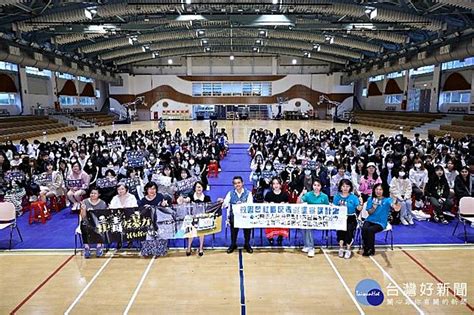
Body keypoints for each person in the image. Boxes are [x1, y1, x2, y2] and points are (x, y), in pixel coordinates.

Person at [361, 183, 400, 256]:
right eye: (377, 189)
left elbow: (392, 204)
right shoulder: (371, 199)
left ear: (383, 191)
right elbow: (370, 213)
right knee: (364, 228)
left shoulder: (387, 200)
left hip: (381, 222)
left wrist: (395, 206)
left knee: (370, 230)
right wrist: (374, 207)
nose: (378, 191)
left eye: (380, 189)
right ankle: (365, 247)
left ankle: (371, 249)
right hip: (370, 219)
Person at [298, 178, 330, 258]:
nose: (316, 187)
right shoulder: (308, 194)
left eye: (318, 185)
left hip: (320, 218)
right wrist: (302, 193)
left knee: (308, 226)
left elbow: (327, 208)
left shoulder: (324, 196)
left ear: (321, 187)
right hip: (309, 217)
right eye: (315, 185)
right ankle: (306, 245)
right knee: (302, 225)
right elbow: (298, 202)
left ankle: (311, 247)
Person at [179, 181, 212, 256]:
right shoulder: (191, 196)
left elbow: (210, 207)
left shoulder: (207, 198)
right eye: (197, 187)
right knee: (191, 232)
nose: (199, 188)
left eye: (200, 187)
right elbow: (186, 200)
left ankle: (201, 248)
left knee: (202, 233)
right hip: (192, 217)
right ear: (195, 188)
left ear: (203, 188)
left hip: (202, 218)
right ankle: (188, 247)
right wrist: (182, 200)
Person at [222, 176, 253, 254]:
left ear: (242, 183)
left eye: (239, 183)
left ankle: (247, 244)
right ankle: (233, 244)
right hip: (234, 216)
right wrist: (222, 202)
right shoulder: (230, 193)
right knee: (233, 232)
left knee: (247, 231)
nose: (237, 185)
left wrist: (241, 205)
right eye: (235, 183)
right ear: (233, 185)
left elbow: (250, 205)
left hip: (245, 216)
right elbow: (225, 204)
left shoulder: (248, 193)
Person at [139, 181, 172, 257]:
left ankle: (159, 250)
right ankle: (148, 250)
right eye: (150, 189)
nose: (152, 191)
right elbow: (141, 213)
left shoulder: (160, 196)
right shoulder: (143, 200)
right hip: (148, 224)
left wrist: (164, 205)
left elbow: (166, 209)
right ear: (146, 189)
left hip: (159, 222)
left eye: (154, 189)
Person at [333, 179, 362, 259]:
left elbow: (359, 208)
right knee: (340, 233)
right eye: (343, 186)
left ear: (350, 187)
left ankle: (348, 249)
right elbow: (334, 208)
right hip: (340, 217)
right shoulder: (336, 197)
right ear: (340, 187)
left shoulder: (354, 197)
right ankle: (341, 248)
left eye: (347, 186)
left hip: (351, 217)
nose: (345, 188)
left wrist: (361, 203)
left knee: (349, 233)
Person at [80, 186, 107, 258]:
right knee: (83, 225)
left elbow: (103, 216)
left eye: (95, 193)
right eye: (91, 193)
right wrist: (83, 209)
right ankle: (86, 247)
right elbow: (83, 216)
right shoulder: (85, 202)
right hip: (87, 221)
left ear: (99, 194)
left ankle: (99, 246)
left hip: (98, 222)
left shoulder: (102, 203)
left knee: (100, 226)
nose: (93, 195)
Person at [264, 177, 290, 246]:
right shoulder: (268, 194)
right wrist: (269, 205)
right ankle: (270, 238)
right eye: (274, 184)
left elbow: (288, 206)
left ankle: (280, 237)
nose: (276, 185)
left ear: (280, 185)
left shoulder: (285, 194)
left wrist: (284, 205)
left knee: (284, 221)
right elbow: (264, 205)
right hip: (271, 216)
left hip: (282, 216)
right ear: (272, 185)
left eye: (277, 183)